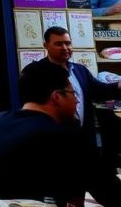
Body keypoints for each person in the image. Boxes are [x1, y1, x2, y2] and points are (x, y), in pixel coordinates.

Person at [0, 61, 86, 205]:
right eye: (73, 93)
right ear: (56, 96)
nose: (76, 101)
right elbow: (106, 190)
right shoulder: (66, 135)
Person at [35, 26, 121, 204]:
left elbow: (98, 91)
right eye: (59, 44)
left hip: (84, 145)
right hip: (57, 150)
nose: (65, 48)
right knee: (68, 199)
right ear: (46, 45)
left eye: (68, 43)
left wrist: (118, 87)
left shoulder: (79, 70)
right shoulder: (36, 72)